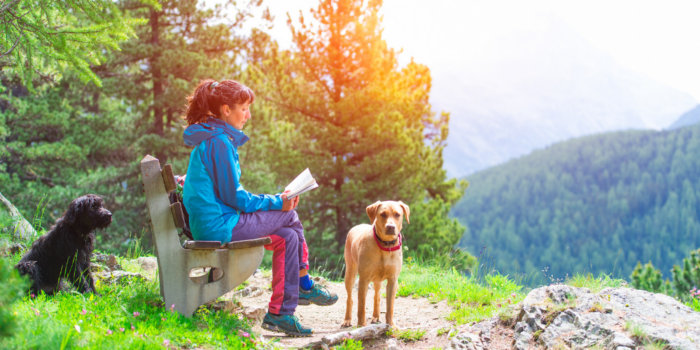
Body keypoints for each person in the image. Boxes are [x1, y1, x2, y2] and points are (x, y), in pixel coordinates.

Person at [181, 79, 337, 337]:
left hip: (214, 222)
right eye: (243, 108)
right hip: (219, 226)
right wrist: (278, 201)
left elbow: (229, 197)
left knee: (287, 237)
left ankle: (280, 314)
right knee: (290, 214)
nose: (248, 114)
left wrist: (276, 200)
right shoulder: (219, 142)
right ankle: (304, 284)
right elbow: (236, 198)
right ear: (225, 109)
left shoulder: (213, 137)